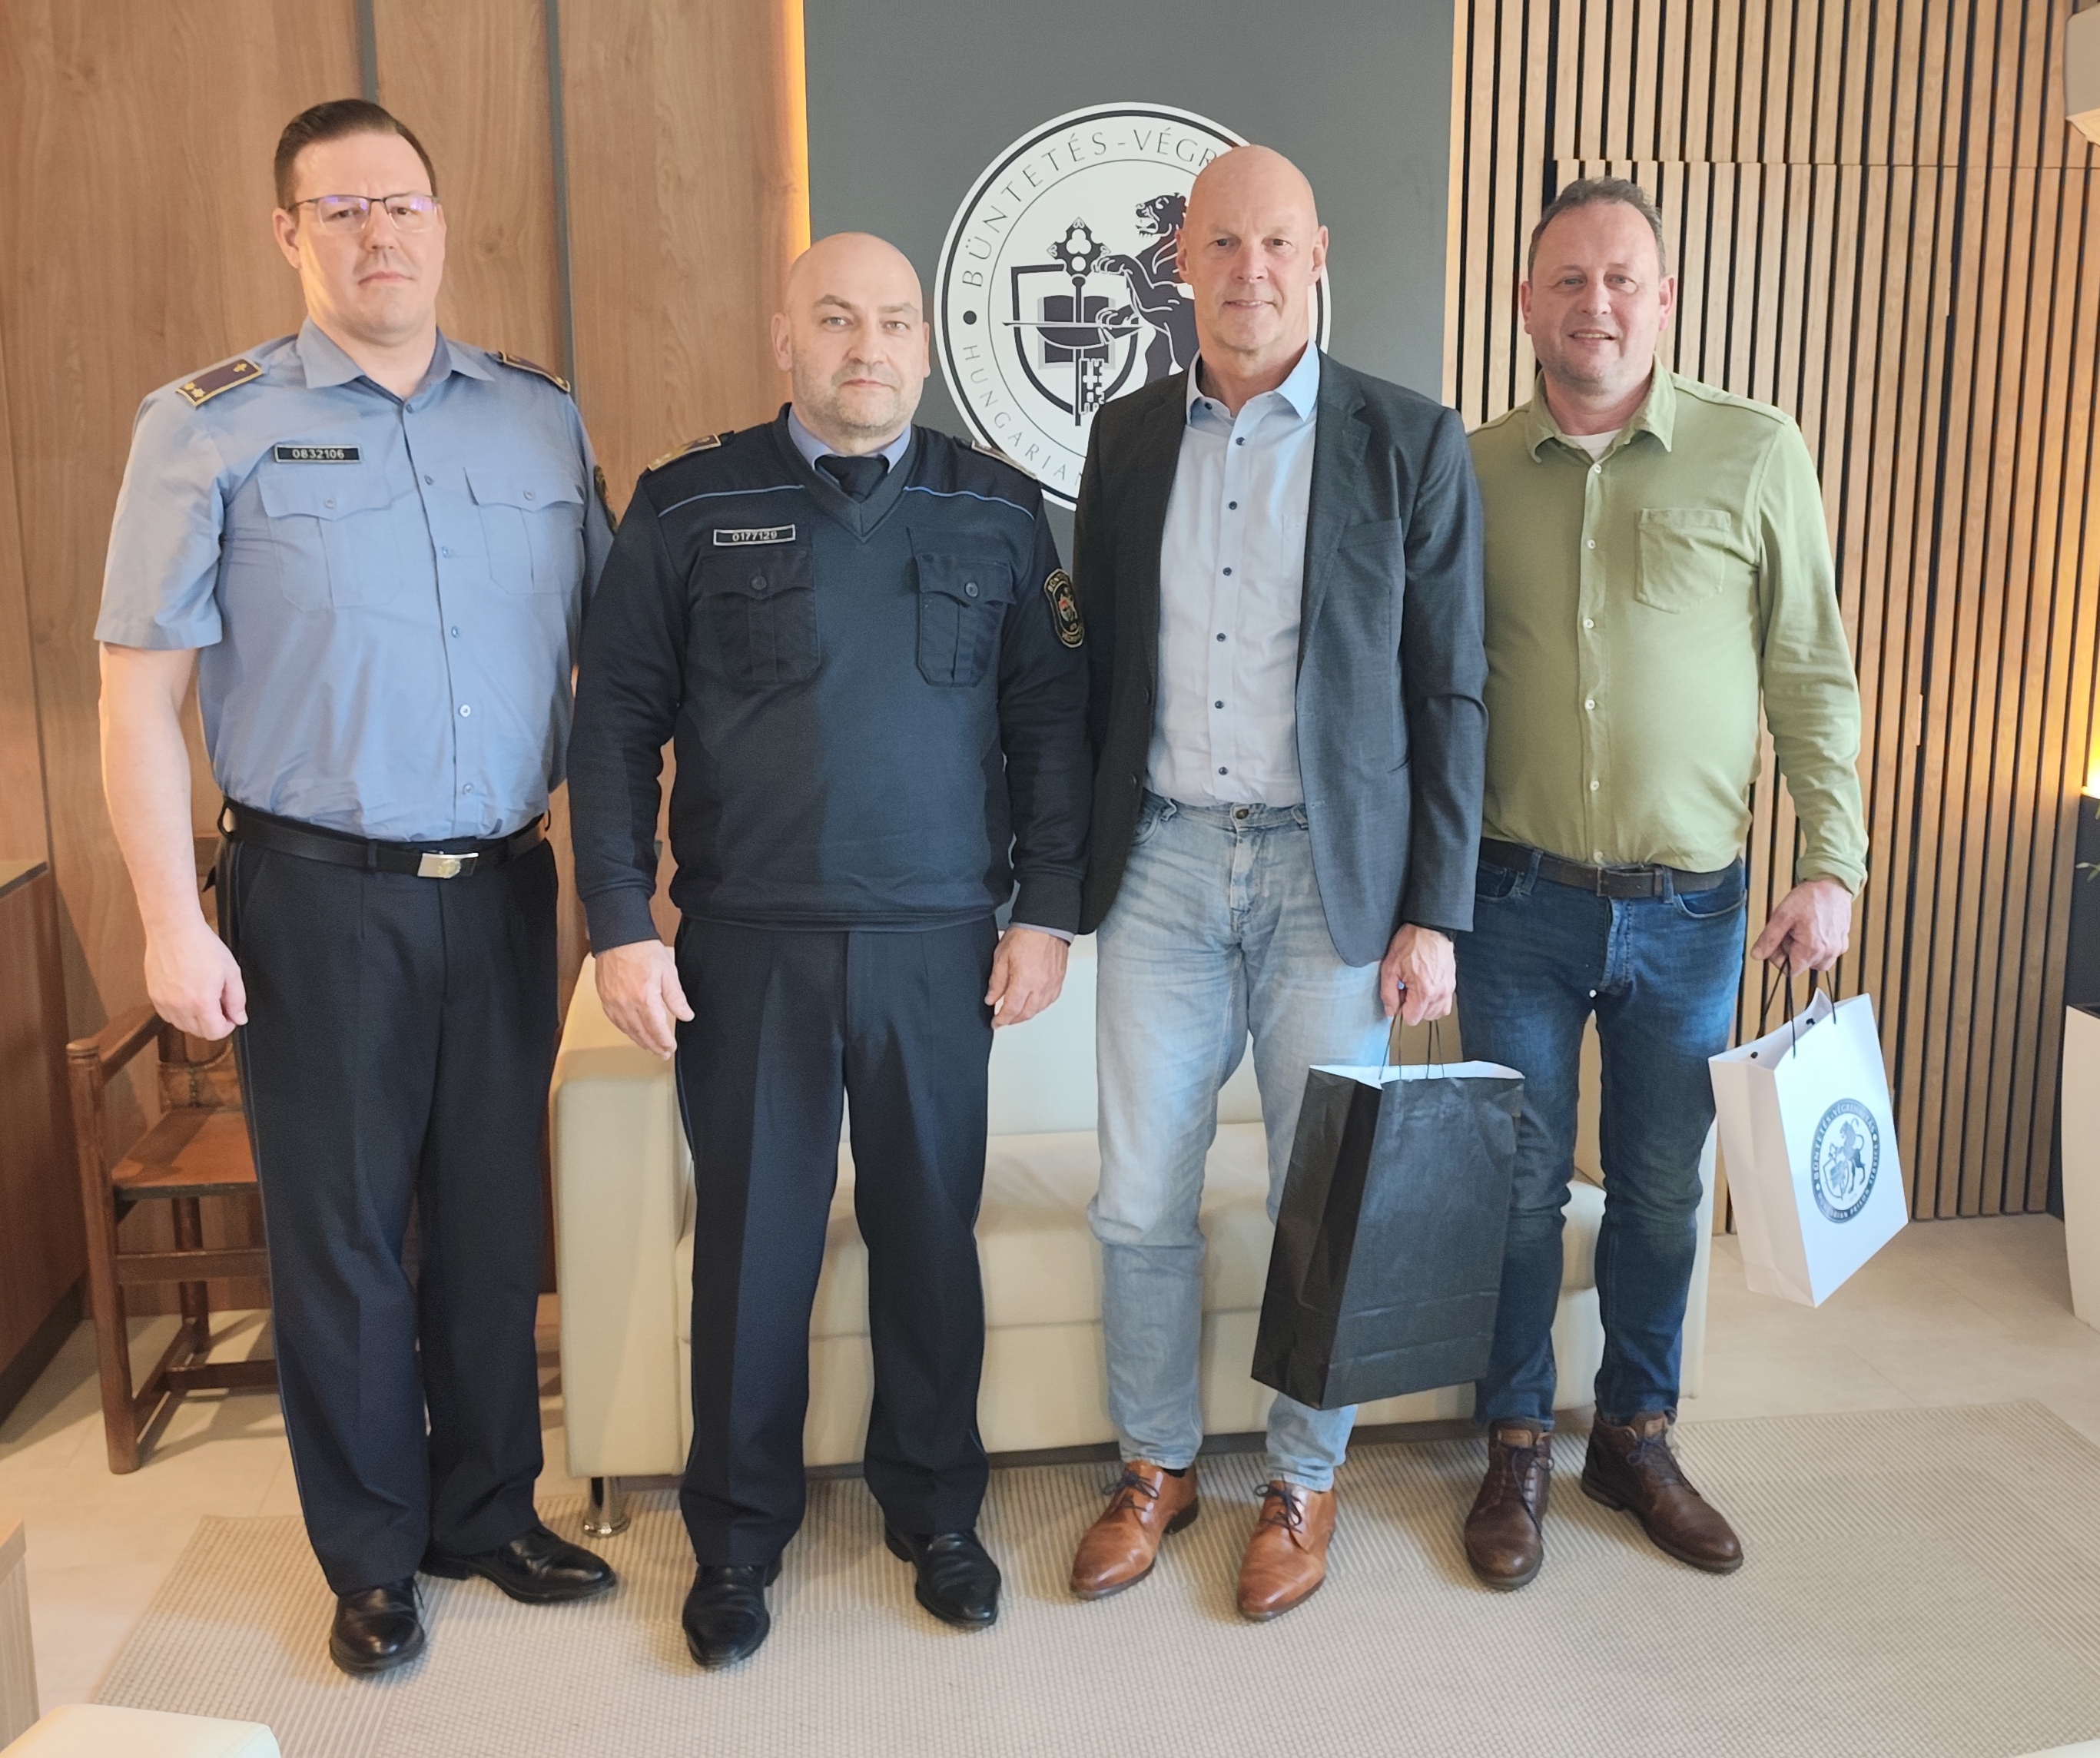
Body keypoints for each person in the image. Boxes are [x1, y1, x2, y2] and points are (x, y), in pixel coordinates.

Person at [95, 99, 618, 1677]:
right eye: (341, 210)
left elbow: (611, 667)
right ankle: (375, 1554)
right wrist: (169, 919)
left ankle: (486, 1511)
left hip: (503, 889)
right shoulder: (207, 424)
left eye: (402, 204)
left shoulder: (534, 419)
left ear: (441, 223)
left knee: (488, 1224)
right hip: (314, 898)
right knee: (341, 1239)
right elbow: (136, 696)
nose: (379, 233)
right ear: (289, 233)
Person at [566, 231, 1090, 1668]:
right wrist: (620, 921)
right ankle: (737, 1540)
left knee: (929, 1242)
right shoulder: (687, 501)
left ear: (926, 344)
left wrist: (1046, 909)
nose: (870, 347)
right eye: (839, 319)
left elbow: (1051, 730)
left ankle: (936, 1513)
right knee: (753, 1255)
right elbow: (611, 729)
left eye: (896, 322)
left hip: (939, 949)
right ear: (783, 337)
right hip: (749, 950)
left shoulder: (998, 509)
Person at [1066, 144, 1487, 1621]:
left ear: (1317, 257)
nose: (1250, 271)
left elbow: (1449, 691)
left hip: (1332, 873)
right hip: (1163, 863)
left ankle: (1302, 1481)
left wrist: (1434, 907)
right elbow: (1096, 671)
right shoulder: (1126, 438)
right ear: (1181, 261)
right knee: (1139, 1198)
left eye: (1277, 244)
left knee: (1330, 1199)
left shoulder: (1407, 440)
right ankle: (1155, 1465)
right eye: (1223, 243)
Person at [1458, 177, 1868, 1589]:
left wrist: (1831, 862)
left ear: (1665, 299)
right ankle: (1515, 1441)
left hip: (1690, 908)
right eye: (1568, 279)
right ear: (1526, 303)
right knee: (1517, 1189)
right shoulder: (1470, 468)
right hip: (1510, 900)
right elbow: (1428, 690)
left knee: (1654, 1189)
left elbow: (1809, 669)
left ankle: (1633, 1437)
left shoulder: (1754, 452)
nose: (1596, 303)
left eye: (1621, 278)